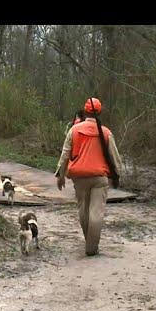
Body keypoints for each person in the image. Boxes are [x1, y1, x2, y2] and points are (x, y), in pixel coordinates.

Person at [54, 97, 123, 256]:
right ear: (99, 112)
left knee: (83, 210)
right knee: (96, 212)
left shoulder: (74, 130)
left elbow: (65, 154)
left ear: (85, 111)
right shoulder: (106, 132)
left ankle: (89, 241)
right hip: (99, 177)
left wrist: (60, 175)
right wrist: (117, 174)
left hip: (79, 177)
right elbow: (114, 156)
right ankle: (92, 247)